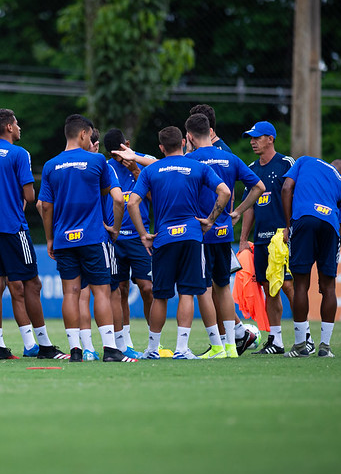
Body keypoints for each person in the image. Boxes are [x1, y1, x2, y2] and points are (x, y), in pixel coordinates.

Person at [0, 108, 68, 360]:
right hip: (13, 228)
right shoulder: (20, 154)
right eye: (17, 123)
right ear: (9, 127)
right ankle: (44, 346)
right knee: (33, 284)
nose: (20, 127)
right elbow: (30, 196)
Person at [125, 126, 230, 360]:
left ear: (161, 148)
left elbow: (132, 203)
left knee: (160, 295)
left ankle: (152, 349)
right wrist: (210, 220)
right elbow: (224, 191)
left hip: (163, 238)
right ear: (183, 142)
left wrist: (143, 234)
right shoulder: (198, 167)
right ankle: (182, 349)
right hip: (191, 236)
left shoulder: (152, 170)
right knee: (187, 293)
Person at [38, 114, 134, 362]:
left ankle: (75, 351)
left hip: (63, 239)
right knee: (102, 292)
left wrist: (50, 239)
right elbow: (117, 197)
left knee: (70, 293)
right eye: (90, 135)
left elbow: (44, 206)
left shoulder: (50, 165)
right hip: (93, 237)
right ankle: (111, 350)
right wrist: (114, 227)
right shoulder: (97, 161)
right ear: (83, 134)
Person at [184, 113, 264, 359]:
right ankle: (231, 346)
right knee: (223, 288)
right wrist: (238, 211)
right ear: (210, 132)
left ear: (189, 136)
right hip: (224, 234)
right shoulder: (230, 158)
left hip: (202, 234)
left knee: (204, 290)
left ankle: (216, 346)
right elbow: (259, 187)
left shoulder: (190, 160)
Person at [237, 121, 313, 355]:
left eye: (257, 137)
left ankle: (305, 337)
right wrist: (243, 239)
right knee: (269, 287)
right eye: (251, 137)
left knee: (289, 285)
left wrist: (293, 228)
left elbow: (300, 195)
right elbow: (249, 207)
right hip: (261, 239)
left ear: (270, 138)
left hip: (283, 237)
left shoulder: (286, 163)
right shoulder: (251, 168)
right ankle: (276, 341)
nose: (253, 141)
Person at [282, 156, 341, 358]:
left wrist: (288, 226)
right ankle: (325, 348)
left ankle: (300, 346)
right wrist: (327, 267)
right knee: (329, 288)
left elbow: (287, 188)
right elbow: (340, 226)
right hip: (330, 224)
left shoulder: (305, 161)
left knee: (301, 285)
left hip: (304, 218)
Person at [102, 128, 154, 358]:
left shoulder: (144, 163)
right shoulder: (104, 167)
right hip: (114, 239)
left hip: (139, 238)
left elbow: (156, 197)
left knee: (148, 288)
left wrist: (135, 171)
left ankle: (155, 343)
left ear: (128, 145)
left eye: (121, 152)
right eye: (114, 155)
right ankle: (124, 343)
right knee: (119, 290)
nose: (119, 159)